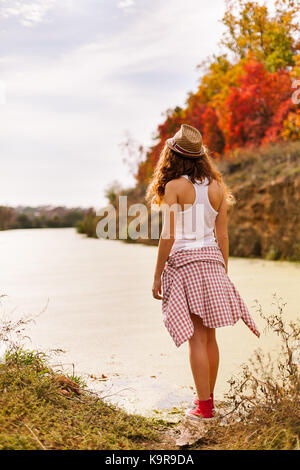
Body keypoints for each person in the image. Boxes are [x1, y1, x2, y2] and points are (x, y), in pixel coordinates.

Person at [146, 124, 260, 421]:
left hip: (186, 264)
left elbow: (168, 236)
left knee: (196, 339)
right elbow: (222, 236)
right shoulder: (217, 188)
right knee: (209, 338)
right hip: (212, 263)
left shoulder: (174, 187)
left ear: (172, 157)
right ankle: (208, 401)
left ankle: (204, 408)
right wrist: (223, 270)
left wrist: (158, 274)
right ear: (201, 157)